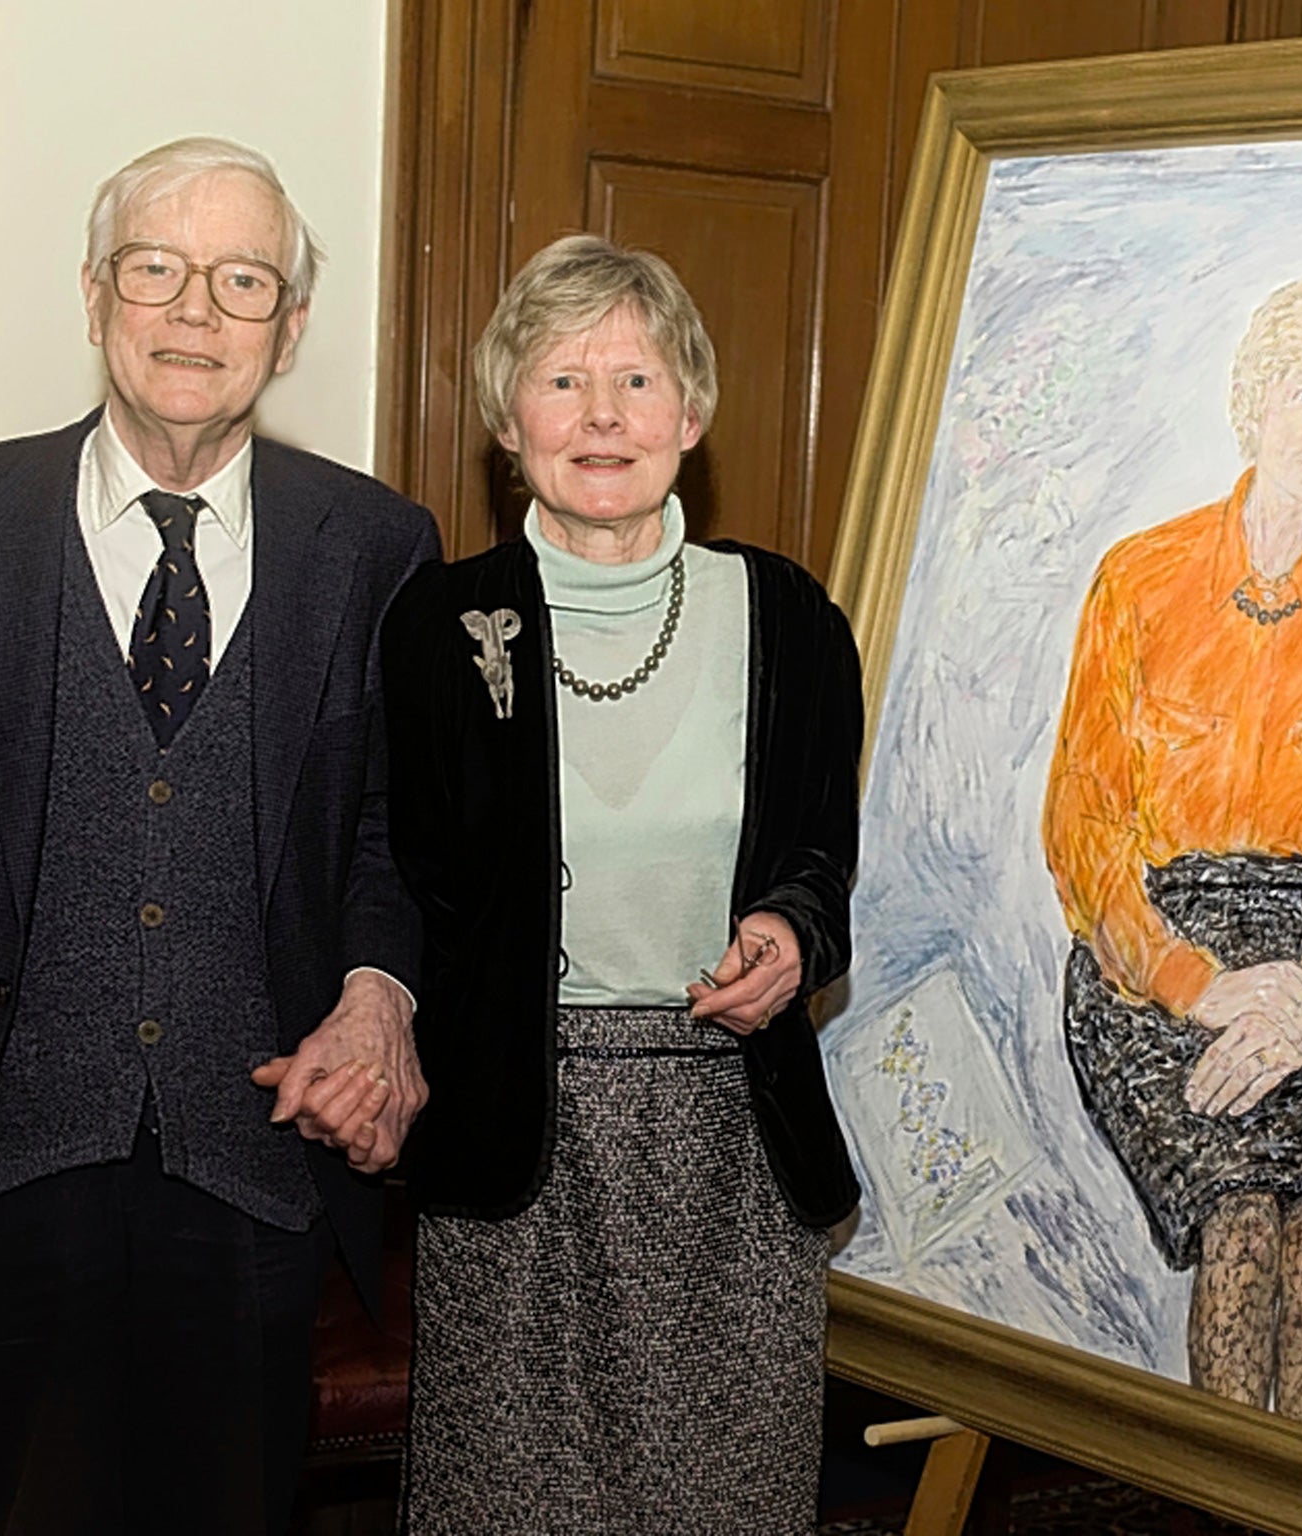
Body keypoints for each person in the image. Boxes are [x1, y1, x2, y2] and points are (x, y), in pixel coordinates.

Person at [0, 137, 440, 1534]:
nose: (196, 313)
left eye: (243, 281)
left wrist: (378, 994)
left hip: (253, 1170)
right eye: (158, 270)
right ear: (93, 294)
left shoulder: (376, 546)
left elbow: (391, 832)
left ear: (290, 327)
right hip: (0, 1162)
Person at [383, 233, 862, 1535]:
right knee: (510, 1507)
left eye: (638, 381)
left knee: (722, 1503)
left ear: (692, 414)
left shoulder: (790, 620)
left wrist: (786, 931)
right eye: (561, 381)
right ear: (505, 421)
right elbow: (402, 877)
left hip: (728, 1137)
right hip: (513, 1136)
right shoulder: (437, 628)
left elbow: (823, 856)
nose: (602, 415)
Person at [1041, 264, 1302, 1429]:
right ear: (1252, 400)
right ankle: (1222, 1505)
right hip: (1154, 960)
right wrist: (1199, 984)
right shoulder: (1141, 575)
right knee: (1237, 1216)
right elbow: (1081, 830)